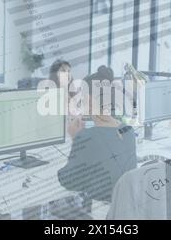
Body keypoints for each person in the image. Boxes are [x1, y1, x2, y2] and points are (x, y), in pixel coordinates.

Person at [57, 66, 137, 202]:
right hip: (121, 206)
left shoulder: (88, 137)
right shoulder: (129, 130)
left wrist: (77, 138)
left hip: (100, 208)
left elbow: (68, 181)